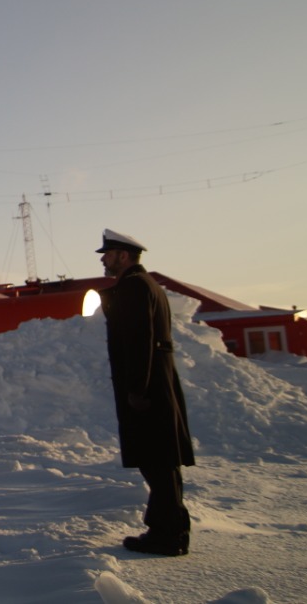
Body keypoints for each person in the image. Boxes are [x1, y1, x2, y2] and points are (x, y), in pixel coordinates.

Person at [97, 229, 194, 556]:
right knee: (162, 460)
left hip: (147, 386)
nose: (103, 259)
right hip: (157, 382)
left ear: (123, 256)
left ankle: (165, 534)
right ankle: (173, 529)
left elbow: (140, 339)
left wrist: (137, 388)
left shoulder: (135, 287)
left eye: (108, 254)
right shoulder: (147, 285)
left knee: (156, 459)